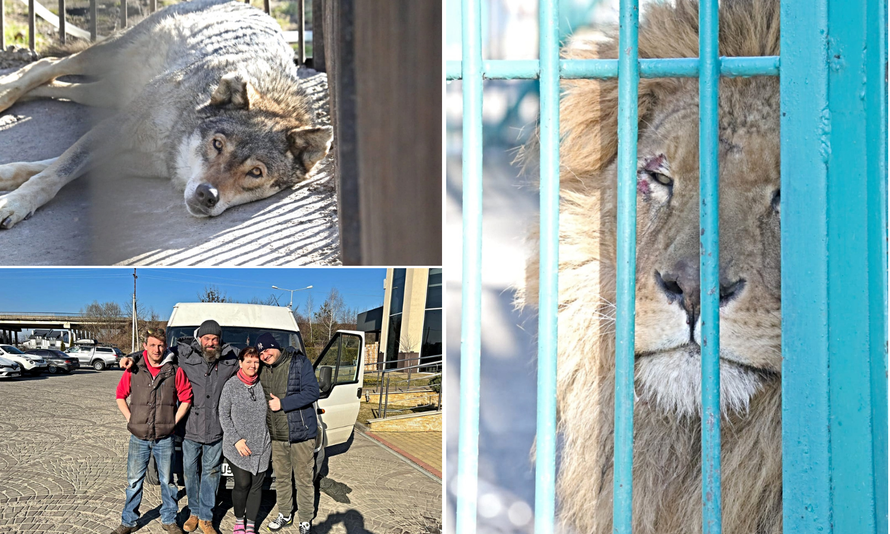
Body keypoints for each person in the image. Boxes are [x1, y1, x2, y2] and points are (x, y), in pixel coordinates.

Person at [121, 320, 239, 534]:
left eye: (215, 339)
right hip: (190, 429)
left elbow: (253, 361)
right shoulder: (184, 353)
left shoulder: (231, 357)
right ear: (199, 339)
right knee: (189, 473)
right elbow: (155, 351)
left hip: (215, 428)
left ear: (220, 340)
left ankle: (206, 517)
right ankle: (193, 512)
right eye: (207, 338)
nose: (211, 342)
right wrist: (132, 357)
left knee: (211, 473)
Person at [111, 328, 192, 534]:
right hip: (139, 437)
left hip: (165, 438)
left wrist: (173, 421)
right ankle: (128, 521)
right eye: (153, 345)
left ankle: (169, 519)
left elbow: (186, 398)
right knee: (134, 481)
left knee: (168, 481)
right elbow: (120, 396)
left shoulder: (175, 370)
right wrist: (131, 419)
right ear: (145, 346)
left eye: (160, 345)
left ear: (165, 346)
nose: (157, 349)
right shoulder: (135, 369)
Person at [256, 333, 320, 534]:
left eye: (267, 350)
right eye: (261, 353)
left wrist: (282, 404)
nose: (265, 355)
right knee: (282, 479)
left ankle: (305, 519)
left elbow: (312, 392)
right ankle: (285, 513)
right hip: (277, 436)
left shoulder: (299, 362)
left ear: (275, 346)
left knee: (303, 479)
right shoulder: (263, 370)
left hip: (301, 434)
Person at [218, 347, 272, 534]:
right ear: (240, 363)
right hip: (238, 447)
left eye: (256, 361)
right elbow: (223, 415)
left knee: (257, 487)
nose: (253, 365)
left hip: (262, 446)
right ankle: (239, 520)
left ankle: (250, 525)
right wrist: (236, 440)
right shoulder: (231, 385)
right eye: (248, 361)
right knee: (242, 484)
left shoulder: (263, 384)